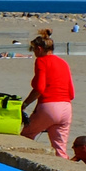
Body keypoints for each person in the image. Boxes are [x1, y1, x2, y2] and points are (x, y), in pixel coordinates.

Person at [19, 29, 74, 157]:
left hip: (49, 105)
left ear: (39, 48)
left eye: (33, 50)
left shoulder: (41, 61)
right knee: (60, 149)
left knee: (26, 136)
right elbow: (71, 92)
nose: (33, 53)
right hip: (66, 107)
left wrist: (25, 104)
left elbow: (39, 88)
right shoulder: (63, 63)